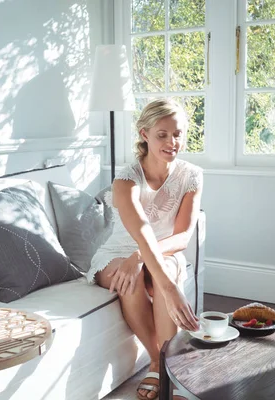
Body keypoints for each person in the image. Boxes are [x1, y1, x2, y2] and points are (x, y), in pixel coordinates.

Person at [86, 98, 203, 400]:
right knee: (132, 279)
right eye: (162, 134)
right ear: (144, 134)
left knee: (160, 267)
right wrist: (136, 259)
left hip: (162, 250)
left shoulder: (191, 176)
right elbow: (139, 234)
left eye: (177, 133)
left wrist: (141, 259)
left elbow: (183, 237)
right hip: (119, 252)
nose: (172, 141)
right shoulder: (126, 181)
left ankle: (168, 367)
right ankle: (159, 362)